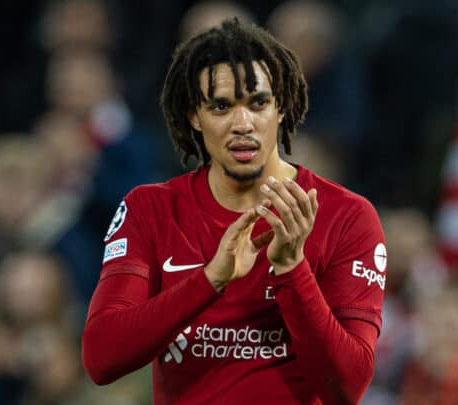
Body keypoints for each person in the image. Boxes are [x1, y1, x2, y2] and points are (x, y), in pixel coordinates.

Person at [82, 19, 386, 405]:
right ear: (195, 115)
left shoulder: (346, 217)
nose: (242, 123)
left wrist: (293, 268)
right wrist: (210, 280)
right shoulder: (151, 209)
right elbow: (101, 358)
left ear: (281, 107)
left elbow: (347, 388)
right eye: (221, 106)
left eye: (258, 102)